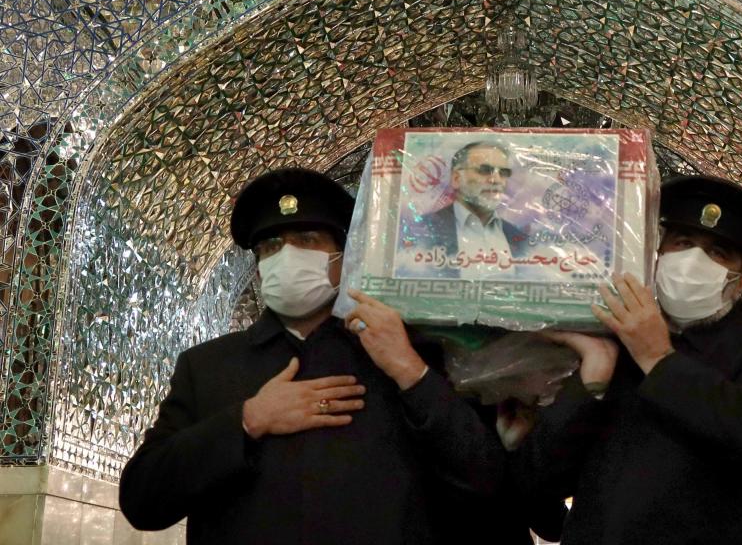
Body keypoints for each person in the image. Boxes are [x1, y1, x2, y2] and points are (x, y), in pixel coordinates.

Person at [119, 167, 532, 544]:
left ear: (342, 256)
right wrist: (247, 421)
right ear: (259, 268)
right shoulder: (207, 366)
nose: (287, 256)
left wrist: (412, 372)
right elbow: (143, 501)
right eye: (271, 246)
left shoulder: (410, 350)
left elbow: (486, 482)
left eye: (307, 241)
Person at [518, 174, 742, 545]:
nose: (694, 260)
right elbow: (537, 479)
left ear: (738, 282)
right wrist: (593, 375)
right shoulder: (607, 344)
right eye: (684, 242)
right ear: (656, 258)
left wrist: (656, 356)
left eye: (717, 252)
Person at [415, 141, 527, 276]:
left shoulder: (519, 238)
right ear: (456, 178)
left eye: (503, 172)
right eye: (485, 170)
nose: (496, 180)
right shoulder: (422, 230)